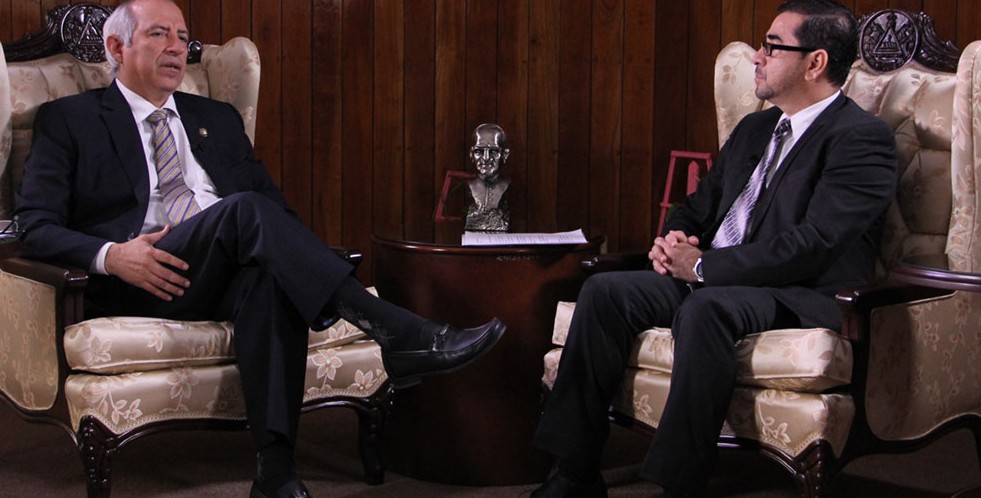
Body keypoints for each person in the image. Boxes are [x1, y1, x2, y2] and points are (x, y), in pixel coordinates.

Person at [13, 1, 505, 497]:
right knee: (244, 210)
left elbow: (277, 212)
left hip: (224, 272)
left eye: (182, 37)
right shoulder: (69, 120)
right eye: (159, 34)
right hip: (143, 279)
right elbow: (34, 226)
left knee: (268, 278)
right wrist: (113, 256)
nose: (176, 48)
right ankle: (395, 329)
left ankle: (276, 471)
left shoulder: (217, 118)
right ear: (117, 48)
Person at [530, 1, 897, 497]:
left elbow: (815, 244)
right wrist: (675, 240)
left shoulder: (861, 139)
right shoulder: (755, 129)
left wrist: (704, 266)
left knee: (706, 309)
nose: (758, 57)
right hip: (719, 279)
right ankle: (573, 473)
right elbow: (698, 207)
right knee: (604, 293)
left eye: (773, 47)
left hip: (796, 291)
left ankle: (678, 483)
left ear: (815, 63)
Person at [465, 123, 511, 232]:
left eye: (493, 151)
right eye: (479, 151)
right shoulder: (464, 187)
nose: (486, 158)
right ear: (471, 154)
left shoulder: (511, 188)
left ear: (504, 154)